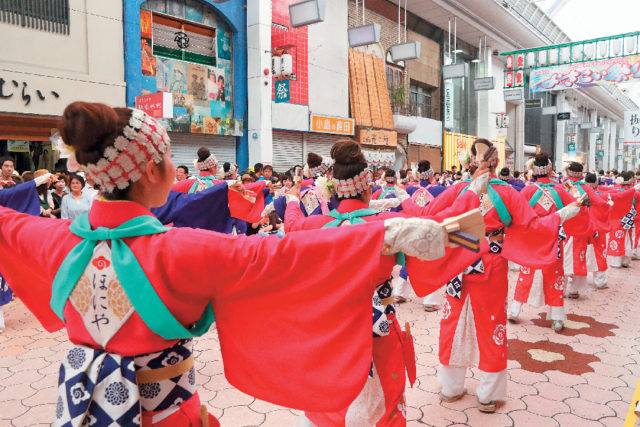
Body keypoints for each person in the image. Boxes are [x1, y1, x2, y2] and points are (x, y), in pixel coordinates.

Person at [0, 101, 455, 426]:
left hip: (80, 411)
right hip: (167, 415)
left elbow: (5, 223)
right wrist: (383, 234)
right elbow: (281, 255)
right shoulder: (180, 249)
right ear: (153, 171)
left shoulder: (53, 241)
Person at [284, 138, 487, 426]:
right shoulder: (386, 226)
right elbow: (433, 222)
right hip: (377, 327)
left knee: (327, 404)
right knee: (385, 404)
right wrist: (470, 188)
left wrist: (293, 198)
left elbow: (291, 225)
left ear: (333, 190)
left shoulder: (313, 228)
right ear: (367, 187)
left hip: (329, 330)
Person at [426, 140, 581, 413]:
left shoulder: (458, 189)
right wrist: (564, 213)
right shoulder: (507, 192)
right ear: (497, 162)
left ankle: (451, 387)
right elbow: (533, 226)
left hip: (458, 263)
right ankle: (487, 394)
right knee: (491, 324)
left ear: (469, 162)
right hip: (492, 264)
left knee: (453, 321)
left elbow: (430, 216)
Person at [508, 154, 588, 332]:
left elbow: (516, 212)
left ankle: (515, 310)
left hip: (532, 238)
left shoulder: (528, 191)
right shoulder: (560, 190)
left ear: (533, 171)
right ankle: (557, 318)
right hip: (553, 238)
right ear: (550, 170)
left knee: (526, 272)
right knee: (555, 276)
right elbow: (576, 208)